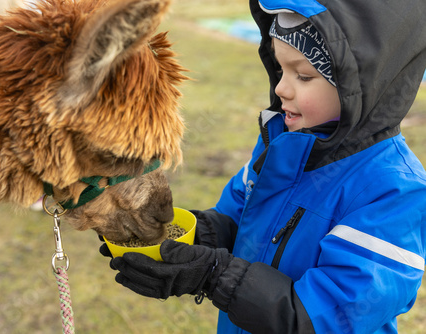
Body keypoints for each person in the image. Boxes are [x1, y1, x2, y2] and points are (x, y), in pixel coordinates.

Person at [101, 0, 426, 333]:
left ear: (360, 83)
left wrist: (214, 275)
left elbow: (327, 318)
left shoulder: (394, 192)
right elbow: (239, 221)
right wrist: (192, 240)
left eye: (303, 75)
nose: (282, 88)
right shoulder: (282, 146)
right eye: (280, 69)